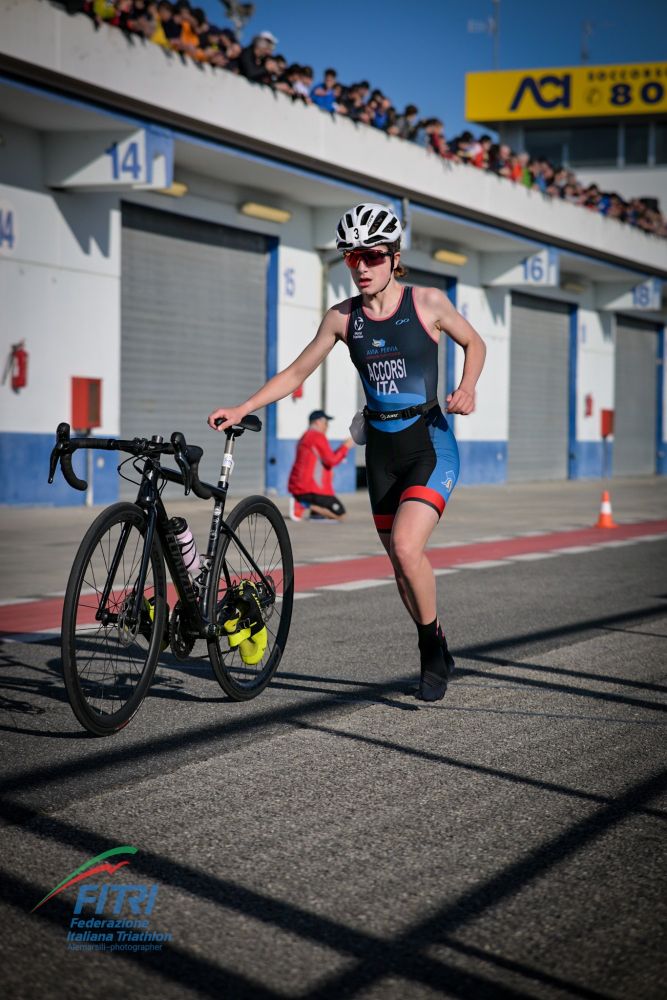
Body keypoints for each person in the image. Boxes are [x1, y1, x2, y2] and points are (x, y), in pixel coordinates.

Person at [208, 203, 486, 701]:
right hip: (380, 451)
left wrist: (467, 387)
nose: (361, 266)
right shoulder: (342, 317)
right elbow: (296, 373)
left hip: (428, 442)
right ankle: (437, 637)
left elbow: (475, 343)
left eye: (372, 256)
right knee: (399, 563)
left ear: (394, 257)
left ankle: (429, 651)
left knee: (408, 547)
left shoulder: (427, 302)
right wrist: (243, 406)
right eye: (352, 257)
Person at [287, 410, 353, 522]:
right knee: (340, 515)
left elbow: (325, 460)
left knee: (326, 512)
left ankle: (315, 513)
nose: (327, 426)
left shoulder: (305, 436)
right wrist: (345, 447)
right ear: (317, 422)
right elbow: (331, 460)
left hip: (301, 486)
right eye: (326, 423)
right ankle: (302, 504)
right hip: (309, 489)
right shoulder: (317, 436)